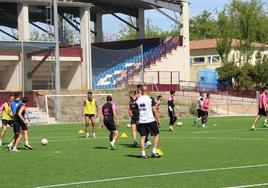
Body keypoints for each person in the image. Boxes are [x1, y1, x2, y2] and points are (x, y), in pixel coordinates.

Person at [136, 85, 161, 159]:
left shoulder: (138, 100)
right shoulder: (150, 99)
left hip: (141, 120)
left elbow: (137, 111)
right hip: (150, 120)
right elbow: (154, 110)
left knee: (142, 137)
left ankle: (143, 154)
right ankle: (154, 151)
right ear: (147, 91)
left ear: (141, 91)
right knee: (157, 134)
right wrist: (158, 119)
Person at [136, 84, 152, 149]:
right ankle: (146, 141)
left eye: (137, 89)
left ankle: (146, 141)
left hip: (142, 117)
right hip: (146, 116)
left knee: (141, 130)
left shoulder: (140, 97)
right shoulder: (145, 97)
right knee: (142, 130)